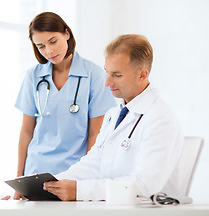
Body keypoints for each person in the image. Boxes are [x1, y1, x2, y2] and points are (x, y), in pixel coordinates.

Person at [43, 34, 184, 201]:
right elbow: (93, 164)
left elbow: (144, 185)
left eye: (117, 75)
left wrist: (80, 191)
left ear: (142, 75)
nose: (107, 82)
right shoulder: (114, 114)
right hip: (114, 208)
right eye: (107, 73)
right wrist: (47, 186)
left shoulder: (160, 117)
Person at [14, 12, 116, 199]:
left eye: (53, 41)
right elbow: (27, 131)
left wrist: (86, 180)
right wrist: (19, 181)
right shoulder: (33, 76)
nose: (49, 51)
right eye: (41, 46)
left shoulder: (94, 75)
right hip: (36, 174)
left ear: (67, 34)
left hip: (73, 174)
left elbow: (96, 134)